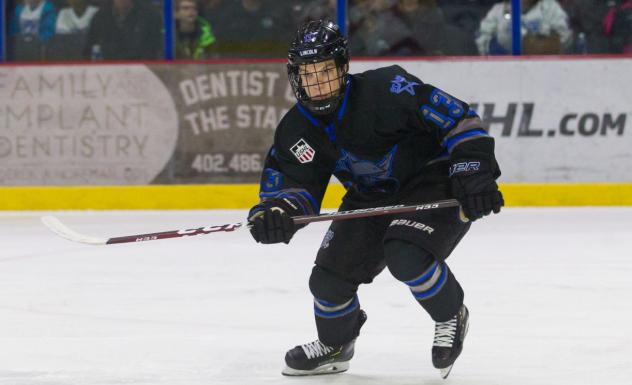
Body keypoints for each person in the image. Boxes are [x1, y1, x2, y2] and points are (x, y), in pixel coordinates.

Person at [247, 20, 503, 378]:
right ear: (295, 76)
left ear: (343, 68)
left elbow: (457, 119)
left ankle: (450, 314)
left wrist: (474, 174)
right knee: (328, 280)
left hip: (431, 181)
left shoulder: (387, 89)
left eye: (326, 71)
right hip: (369, 196)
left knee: (406, 254)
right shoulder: (296, 129)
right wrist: (276, 212)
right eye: (308, 73)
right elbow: (294, 187)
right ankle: (336, 345)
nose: (318, 83)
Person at [476, 0, 572, 55]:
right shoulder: (498, 10)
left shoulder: (550, 7)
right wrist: (496, 50)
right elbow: (482, 39)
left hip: (544, 67)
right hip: (504, 68)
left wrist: (545, 46)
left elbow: (564, 37)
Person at [83, 0, 162, 60]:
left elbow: (154, 52)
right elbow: (89, 51)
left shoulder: (150, 16)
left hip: (141, 72)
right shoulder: (100, 17)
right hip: (107, 74)